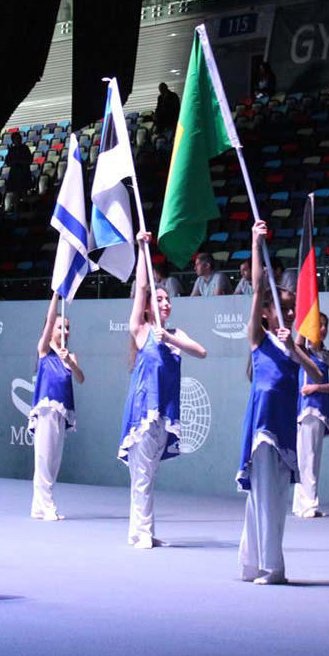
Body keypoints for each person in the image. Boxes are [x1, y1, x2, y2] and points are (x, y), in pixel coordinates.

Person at [238, 221, 322, 583]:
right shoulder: (257, 338)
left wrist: (293, 348)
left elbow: (317, 377)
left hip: (284, 427)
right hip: (261, 426)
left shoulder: (293, 344)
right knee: (260, 498)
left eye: (292, 310)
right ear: (266, 313)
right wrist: (257, 242)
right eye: (283, 309)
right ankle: (256, 564)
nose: (289, 315)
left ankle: (273, 567)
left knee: (275, 500)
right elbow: (257, 287)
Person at [120, 233, 207, 548]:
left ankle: (141, 531)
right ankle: (142, 532)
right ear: (146, 308)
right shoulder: (142, 331)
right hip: (145, 411)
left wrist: (170, 338)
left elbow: (200, 351)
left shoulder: (173, 334)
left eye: (167, 299)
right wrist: (143, 250)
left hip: (166, 413)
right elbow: (141, 288)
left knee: (147, 476)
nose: (165, 302)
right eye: (159, 300)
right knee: (141, 474)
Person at [28, 292, 84, 521]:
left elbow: (80, 378)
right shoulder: (44, 349)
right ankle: (47, 505)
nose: (65, 331)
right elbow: (50, 319)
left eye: (67, 328)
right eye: (61, 327)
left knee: (53, 460)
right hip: (46, 410)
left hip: (62, 412)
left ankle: (38, 507)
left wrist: (70, 361)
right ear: (51, 329)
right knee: (43, 458)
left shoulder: (70, 356)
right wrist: (55, 295)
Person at [293, 313, 329, 519]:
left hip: (320, 410)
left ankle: (303, 503)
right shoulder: (303, 352)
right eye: (319, 325)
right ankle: (307, 504)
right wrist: (304, 322)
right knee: (306, 457)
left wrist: (316, 387)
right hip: (305, 409)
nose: (323, 329)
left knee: (313, 458)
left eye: (325, 326)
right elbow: (295, 344)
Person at [5, 131, 33, 203]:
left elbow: (29, 160)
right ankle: (16, 211)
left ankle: (25, 209)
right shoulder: (11, 150)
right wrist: (14, 162)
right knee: (15, 194)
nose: (17, 140)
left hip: (24, 173)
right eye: (15, 139)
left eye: (18, 138)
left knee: (24, 193)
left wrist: (20, 162)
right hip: (14, 174)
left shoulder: (25, 148)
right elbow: (8, 162)